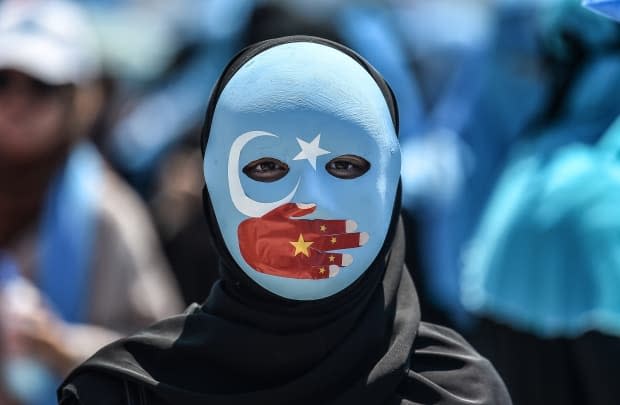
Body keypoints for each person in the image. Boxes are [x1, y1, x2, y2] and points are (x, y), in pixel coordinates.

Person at [58, 36, 511, 405]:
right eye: (267, 168)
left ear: (393, 183)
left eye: (347, 166)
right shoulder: (121, 393)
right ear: (213, 188)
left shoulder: (457, 393)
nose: (310, 201)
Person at [0, 2, 183, 404]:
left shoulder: (110, 215)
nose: (17, 101)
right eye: (3, 82)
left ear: (76, 100)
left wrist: (58, 344)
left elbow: (163, 361)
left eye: (40, 86)